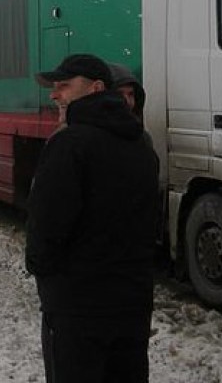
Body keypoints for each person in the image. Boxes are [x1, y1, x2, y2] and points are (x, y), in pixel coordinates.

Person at [26, 53, 159, 383]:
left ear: (96, 88)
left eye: (64, 86)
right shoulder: (142, 145)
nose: (54, 94)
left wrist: (45, 275)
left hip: (77, 311)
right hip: (132, 306)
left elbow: (45, 229)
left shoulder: (69, 144)